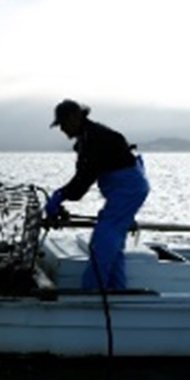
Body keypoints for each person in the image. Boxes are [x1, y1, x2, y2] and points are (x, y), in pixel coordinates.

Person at [45, 99, 150, 290]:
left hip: (128, 189)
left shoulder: (94, 138)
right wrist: (62, 195)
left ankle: (93, 292)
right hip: (126, 188)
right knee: (113, 240)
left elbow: (82, 181)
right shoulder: (87, 137)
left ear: (74, 118)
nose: (62, 129)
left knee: (103, 239)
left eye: (62, 124)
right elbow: (82, 179)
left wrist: (60, 195)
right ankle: (116, 289)